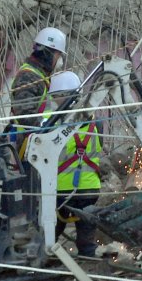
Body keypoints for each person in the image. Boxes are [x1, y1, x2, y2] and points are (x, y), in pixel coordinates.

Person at [49, 71, 102, 257]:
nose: (54, 100)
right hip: (89, 189)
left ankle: (40, 268)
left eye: (55, 96)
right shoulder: (95, 121)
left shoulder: (51, 120)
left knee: (49, 236)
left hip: (60, 190)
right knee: (86, 239)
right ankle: (89, 271)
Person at [10, 27, 67, 154]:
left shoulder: (40, 75)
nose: (60, 60)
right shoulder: (28, 77)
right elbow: (25, 115)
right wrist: (50, 131)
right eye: (59, 54)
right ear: (48, 53)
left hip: (35, 144)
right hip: (27, 147)